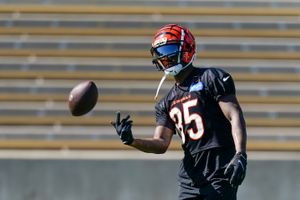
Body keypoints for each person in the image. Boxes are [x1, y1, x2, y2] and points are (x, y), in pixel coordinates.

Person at [111, 24, 247, 200]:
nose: (165, 57)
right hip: (190, 178)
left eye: (169, 49)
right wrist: (131, 140)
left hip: (219, 169)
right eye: (161, 53)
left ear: (187, 49)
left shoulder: (211, 78)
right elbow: (161, 143)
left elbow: (234, 114)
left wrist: (240, 154)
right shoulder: (166, 102)